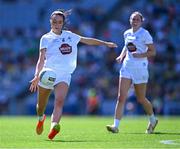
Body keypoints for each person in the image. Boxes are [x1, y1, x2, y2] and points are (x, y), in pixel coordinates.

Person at [29, 9, 117, 140]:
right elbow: (41, 59)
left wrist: (105, 43)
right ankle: (41, 118)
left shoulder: (70, 35)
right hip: (47, 73)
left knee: (59, 101)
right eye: (54, 22)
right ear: (50, 22)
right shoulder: (45, 38)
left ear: (63, 23)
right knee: (41, 106)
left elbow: (87, 40)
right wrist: (37, 76)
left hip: (64, 74)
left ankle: (54, 126)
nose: (57, 24)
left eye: (59, 22)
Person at [106, 11, 158, 134]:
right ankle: (115, 125)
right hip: (127, 67)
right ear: (130, 20)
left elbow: (153, 52)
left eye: (137, 20)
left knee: (141, 98)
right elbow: (126, 46)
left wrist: (140, 55)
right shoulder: (127, 33)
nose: (134, 21)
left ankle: (153, 119)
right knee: (121, 96)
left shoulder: (145, 34)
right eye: (132, 19)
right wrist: (121, 56)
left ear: (141, 21)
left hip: (140, 68)